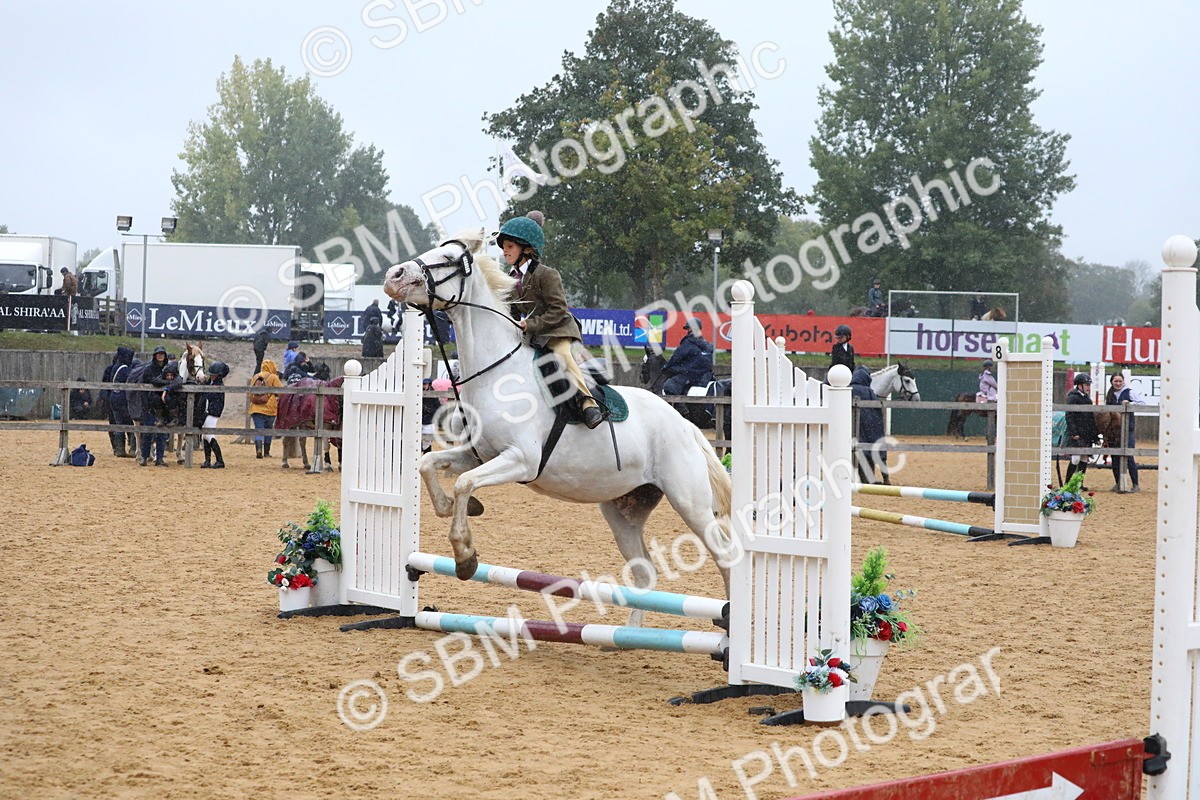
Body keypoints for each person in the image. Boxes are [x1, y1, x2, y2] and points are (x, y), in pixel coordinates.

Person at [497, 215, 603, 429]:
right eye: (504, 247)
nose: (505, 251)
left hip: (557, 331)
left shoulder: (547, 274)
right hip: (534, 335)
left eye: (510, 246)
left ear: (526, 249)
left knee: (563, 356)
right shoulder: (511, 278)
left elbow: (558, 309)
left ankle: (588, 403)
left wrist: (531, 324)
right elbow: (512, 309)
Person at [1106, 373, 1144, 493]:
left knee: (1129, 456)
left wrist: (1130, 405)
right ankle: (1118, 483)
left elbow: (1142, 404)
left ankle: (1135, 484)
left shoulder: (1130, 392)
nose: (1118, 383)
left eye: (1120, 381)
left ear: (1123, 381)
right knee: (1115, 457)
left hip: (1128, 428)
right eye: (1115, 381)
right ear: (1112, 382)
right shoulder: (1110, 394)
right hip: (1114, 430)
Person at [850, 366, 887, 483]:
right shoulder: (868, 391)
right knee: (874, 450)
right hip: (869, 427)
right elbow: (877, 408)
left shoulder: (848, 389)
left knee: (859, 451)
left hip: (852, 426)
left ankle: (867, 478)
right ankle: (883, 478)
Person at [661, 318, 714, 396]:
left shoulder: (688, 342)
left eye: (688, 328)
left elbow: (676, 357)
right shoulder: (708, 345)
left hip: (690, 373)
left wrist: (666, 366)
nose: (687, 331)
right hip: (705, 376)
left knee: (669, 388)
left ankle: (679, 407)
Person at [1064, 373, 1099, 486]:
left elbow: (1090, 418)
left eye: (1089, 385)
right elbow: (1069, 415)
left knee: (1084, 458)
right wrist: (1074, 432)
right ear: (1079, 385)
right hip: (1077, 433)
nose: (1088, 387)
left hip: (1086, 433)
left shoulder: (1087, 398)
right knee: (1075, 458)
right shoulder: (1073, 397)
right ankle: (1068, 483)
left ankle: (1079, 483)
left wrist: (1095, 436)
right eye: (1086, 385)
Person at [102, 346, 137, 456]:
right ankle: (131, 449)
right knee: (130, 423)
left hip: (114, 397)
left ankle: (119, 450)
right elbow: (132, 378)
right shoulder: (124, 368)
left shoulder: (116, 366)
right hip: (121, 399)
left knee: (119, 423)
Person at [249, 358, 282, 459]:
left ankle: (258, 450)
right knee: (268, 430)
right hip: (270, 409)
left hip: (256, 408)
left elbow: (250, 392)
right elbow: (280, 392)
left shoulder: (255, 377)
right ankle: (267, 452)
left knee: (259, 429)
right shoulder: (273, 377)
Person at [199, 361, 230, 469]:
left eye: (214, 374)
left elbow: (211, 398)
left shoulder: (219, 386)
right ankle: (207, 460)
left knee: (209, 435)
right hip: (207, 411)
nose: (211, 376)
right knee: (205, 436)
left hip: (213, 412)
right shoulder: (210, 383)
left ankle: (219, 460)